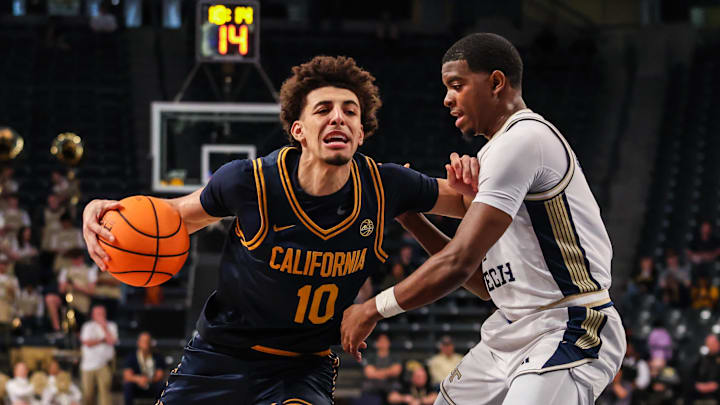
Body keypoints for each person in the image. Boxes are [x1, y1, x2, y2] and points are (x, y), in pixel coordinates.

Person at [82, 55, 473, 404]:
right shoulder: (249, 182)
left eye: (350, 111)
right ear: (298, 129)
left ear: (360, 132)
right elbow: (172, 215)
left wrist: (476, 178)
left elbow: (473, 200)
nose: (338, 117)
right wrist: (99, 212)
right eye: (323, 109)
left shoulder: (385, 185)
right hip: (220, 355)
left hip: (302, 369)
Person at [341, 33, 626, 405]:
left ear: (495, 82)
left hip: (568, 323)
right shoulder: (495, 155)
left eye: (456, 85)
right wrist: (410, 216)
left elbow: (458, 262)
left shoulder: (523, 140)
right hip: (510, 328)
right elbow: (484, 284)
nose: (446, 98)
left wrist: (371, 308)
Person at [79, 305, 117, 405]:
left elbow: (112, 341)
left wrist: (104, 327)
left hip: (104, 364)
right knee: (88, 394)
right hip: (88, 365)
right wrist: (102, 340)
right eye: (98, 314)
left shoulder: (111, 325)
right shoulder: (87, 326)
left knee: (105, 393)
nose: (101, 316)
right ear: (93, 315)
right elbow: (87, 343)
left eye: (102, 313)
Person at [358, 333, 403, 405]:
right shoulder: (371, 356)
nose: (383, 344)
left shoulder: (395, 357)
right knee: (366, 388)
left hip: (390, 385)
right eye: (381, 341)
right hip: (373, 385)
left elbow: (396, 371)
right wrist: (388, 372)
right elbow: (369, 373)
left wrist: (377, 372)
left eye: (385, 341)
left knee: (396, 395)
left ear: (389, 343)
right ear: (377, 343)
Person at [123, 332, 166, 405]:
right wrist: (139, 379)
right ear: (138, 343)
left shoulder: (158, 356)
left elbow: (160, 375)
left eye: (147, 341)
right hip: (137, 385)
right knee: (128, 385)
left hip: (152, 383)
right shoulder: (132, 357)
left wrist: (148, 380)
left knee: (161, 385)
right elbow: (127, 375)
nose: (145, 343)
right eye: (143, 341)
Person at [689, 334, 720, 404]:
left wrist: (716, 385)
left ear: (718, 343)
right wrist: (697, 385)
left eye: (712, 344)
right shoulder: (701, 358)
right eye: (708, 344)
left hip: (716, 395)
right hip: (699, 393)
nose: (709, 346)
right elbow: (692, 375)